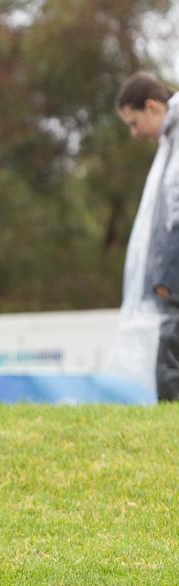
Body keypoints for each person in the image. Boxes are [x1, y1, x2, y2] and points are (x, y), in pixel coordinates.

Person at [109, 72, 179, 401]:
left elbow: (174, 213)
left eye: (134, 123)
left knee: (170, 356)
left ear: (152, 107)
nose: (134, 134)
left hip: (173, 279)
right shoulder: (169, 144)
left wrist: (166, 275)